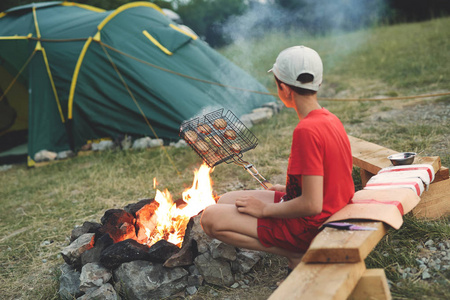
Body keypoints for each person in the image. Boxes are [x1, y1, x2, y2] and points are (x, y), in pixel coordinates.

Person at [200, 46, 355, 273]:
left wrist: (264, 210)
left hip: (312, 225)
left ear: (283, 88)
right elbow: (331, 181)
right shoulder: (329, 119)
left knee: (210, 218)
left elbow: (312, 205)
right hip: (329, 208)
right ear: (318, 84)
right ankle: (290, 244)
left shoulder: (306, 131)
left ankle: (294, 252)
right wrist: (288, 190)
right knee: (226, 199)